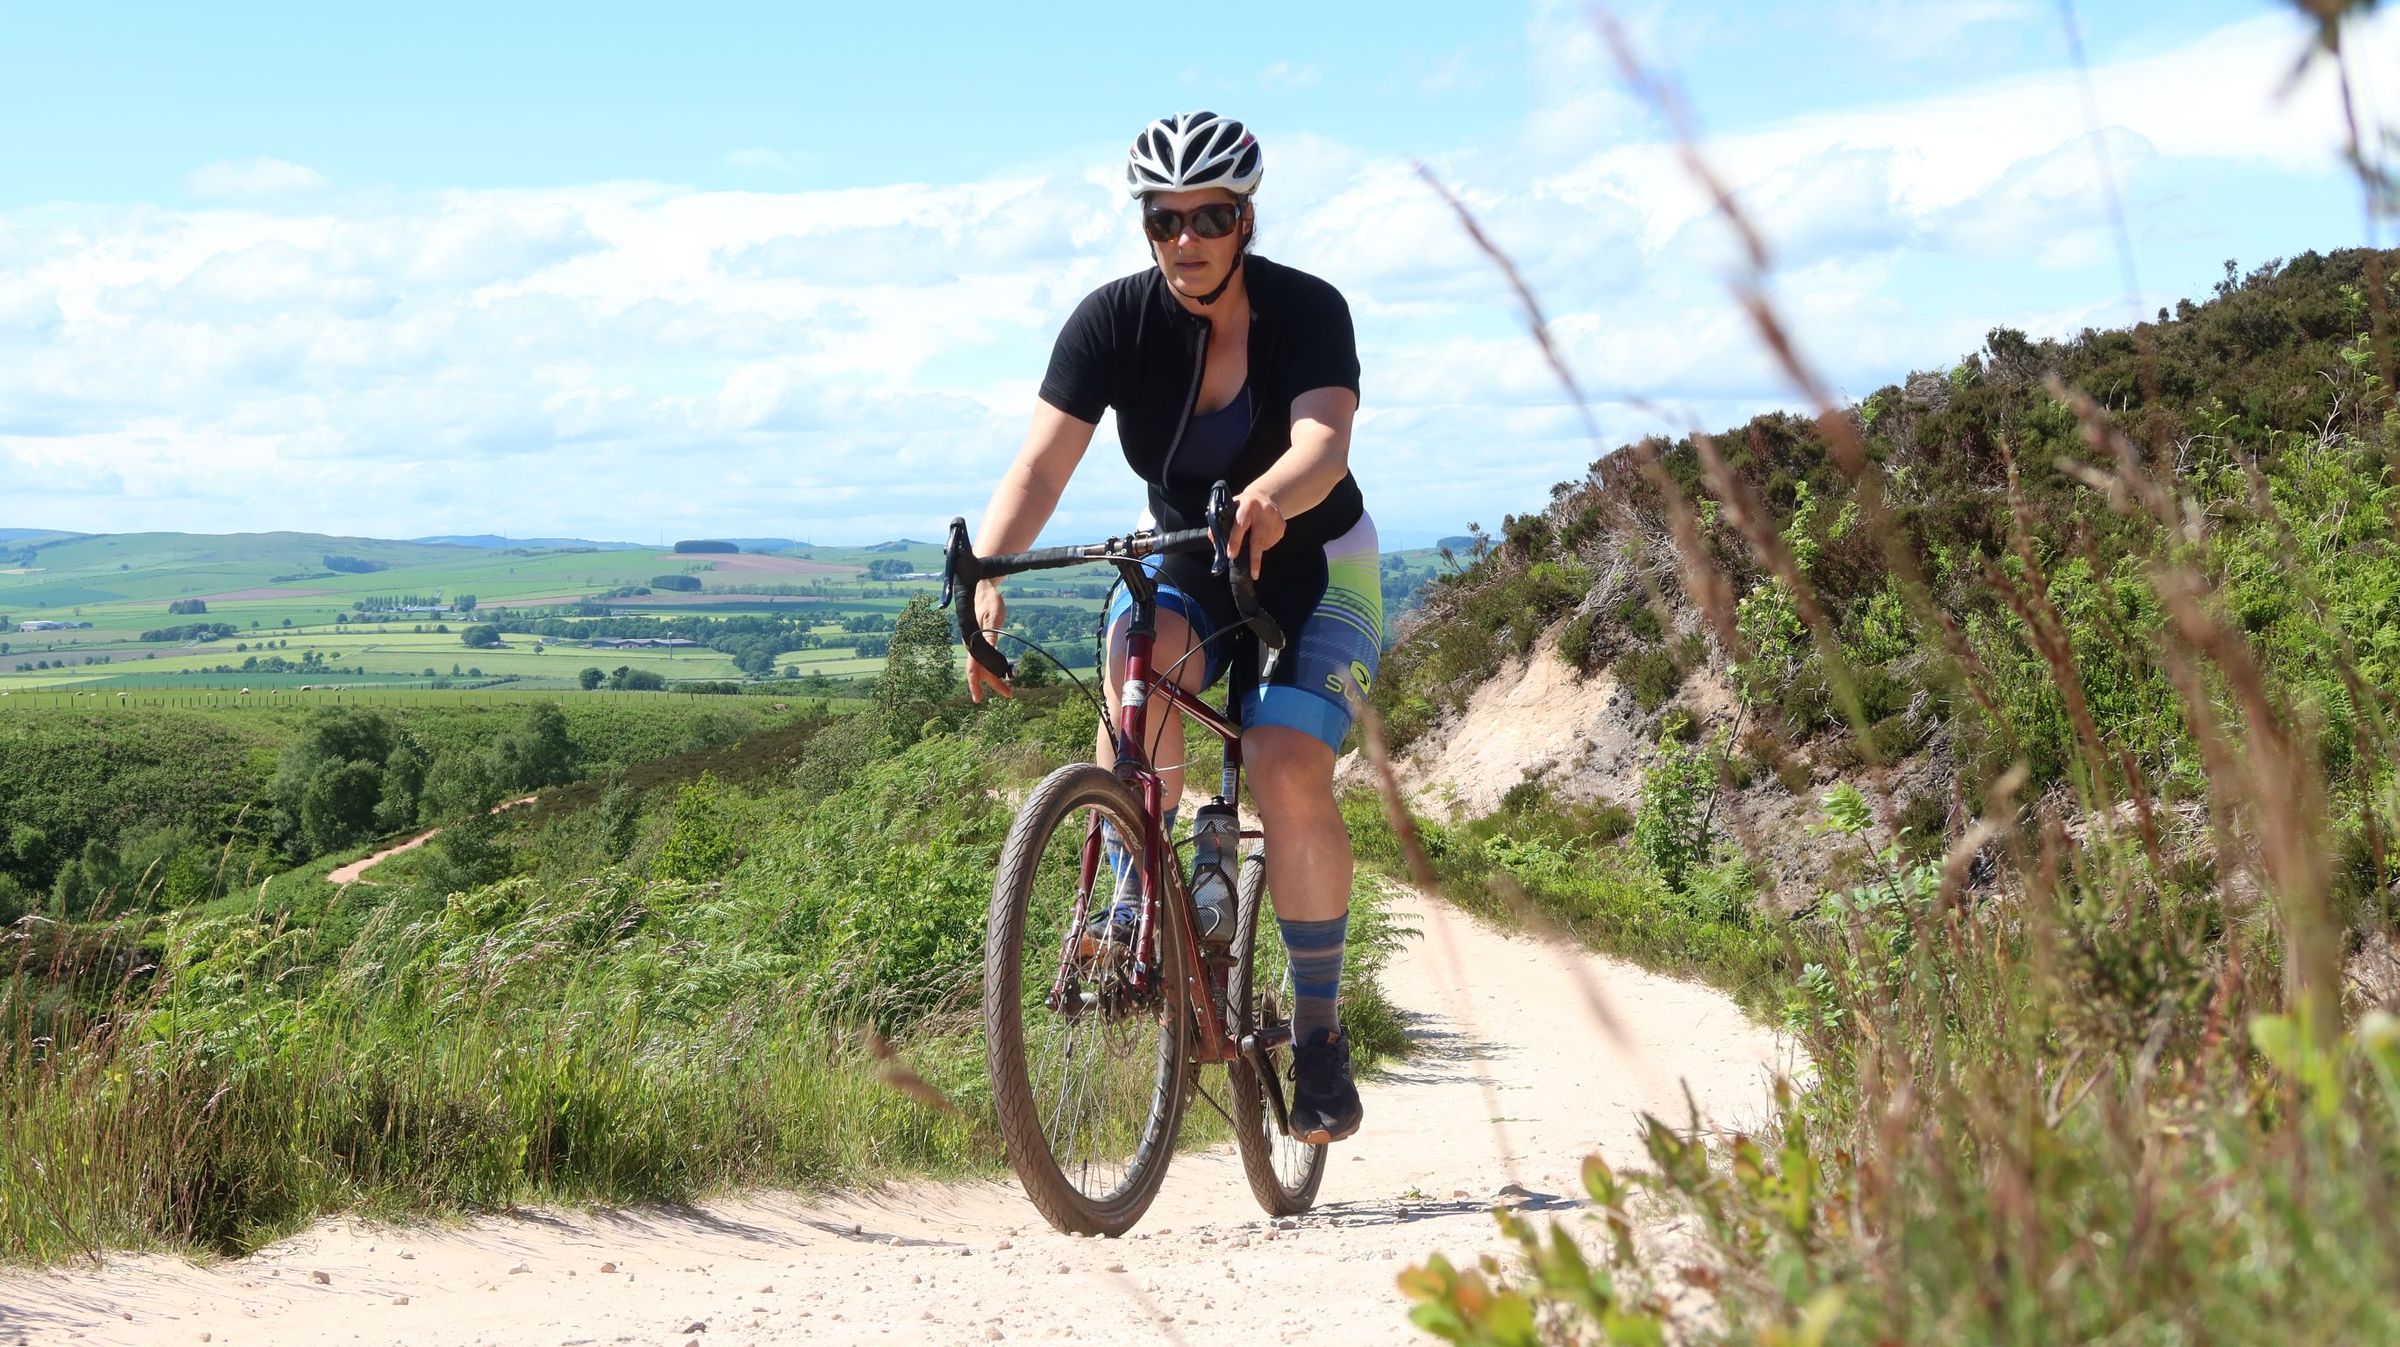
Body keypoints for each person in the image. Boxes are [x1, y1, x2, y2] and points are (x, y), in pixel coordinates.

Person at [965, 111, 1382, 1145]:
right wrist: (986, 576)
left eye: (1213, 215)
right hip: (1188, 554)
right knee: (1133, 677)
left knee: (1285, 766)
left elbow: (1322, 443)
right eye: (1166, 219)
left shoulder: (1307, 309)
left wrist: (1273, 496)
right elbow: (1040, 468)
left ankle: (1322, 1041)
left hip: (1314, 561)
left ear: (1246, 219)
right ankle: (1131, 898)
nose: (1187, 237)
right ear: (1146, 225)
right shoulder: (1111, 323)